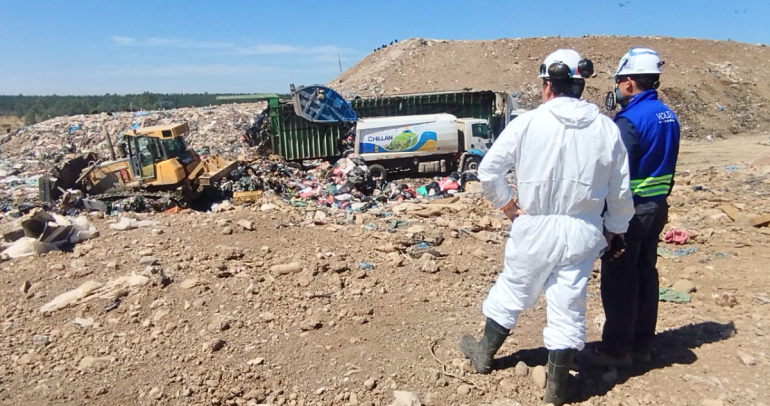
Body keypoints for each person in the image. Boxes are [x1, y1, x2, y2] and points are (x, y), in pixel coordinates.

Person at [459, 49, 635, 405]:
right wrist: (616, 228)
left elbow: (489, 170)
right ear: (581, 86)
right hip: (583, 231)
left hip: (534, 227)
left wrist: (508, 205)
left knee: (514, 288)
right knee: (568, 302)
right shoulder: (606, 128)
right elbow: (620, 189)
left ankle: (484, 353)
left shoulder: (526, 123)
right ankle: (556, 388)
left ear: (547, 86)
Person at [584, 47, 681, 368]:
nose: (615, 89)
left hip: (631, 214)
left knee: (619, 280)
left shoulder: (628, 122)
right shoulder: (667, 115)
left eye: (617, 82)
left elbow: (617, 174)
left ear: (628, 83)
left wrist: (610, 221)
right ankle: (642, 343)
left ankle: (616, 349)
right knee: (645, 274)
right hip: (657, 208)